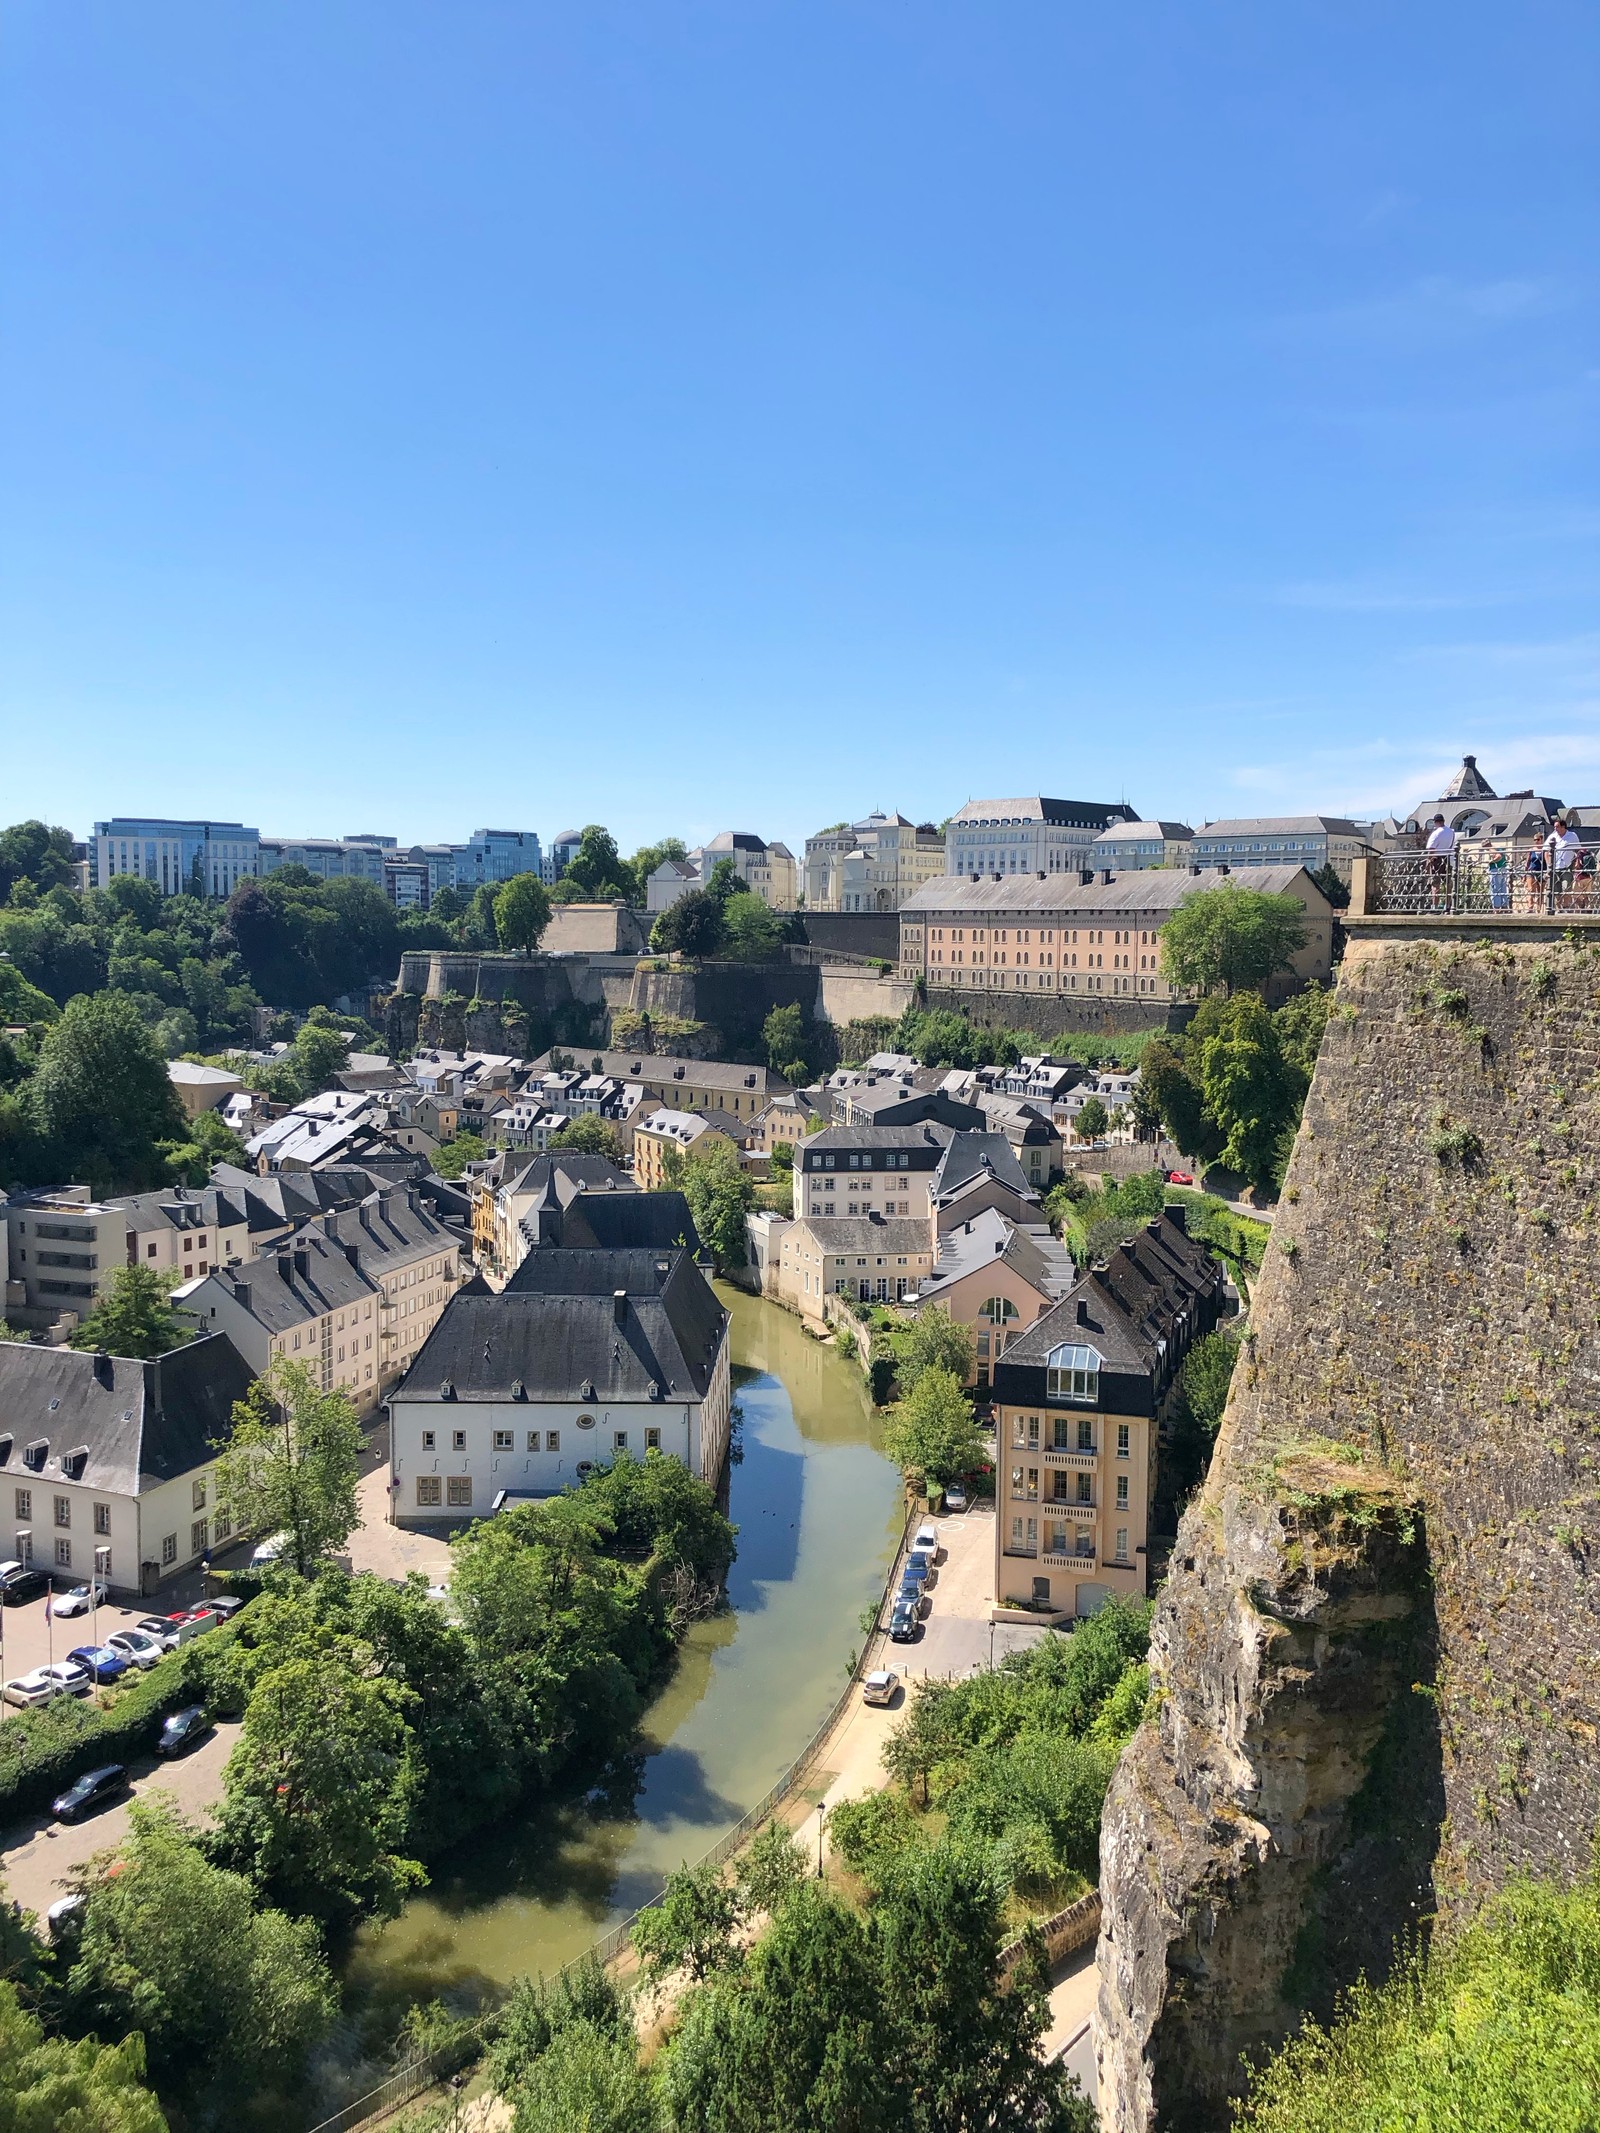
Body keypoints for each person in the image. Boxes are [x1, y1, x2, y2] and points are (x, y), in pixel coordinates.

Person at [1545, 815, 1581, 905]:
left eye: (1557, 827)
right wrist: (1548, 864)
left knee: (1566, 888)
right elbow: (1545, 851)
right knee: (1556, 890)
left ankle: (1566, 906)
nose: (1555, 829)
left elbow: (1579, 850)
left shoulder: (1572, 836)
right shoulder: (1552, 837)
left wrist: (1577, 862)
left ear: (1563, 827)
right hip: (1554, 867)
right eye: (1554, 827)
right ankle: (1559, 907)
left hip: (1567, 866)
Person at [1424, 813, 1455, 907]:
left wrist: (1428, 863)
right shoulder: (1451, 832)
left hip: (1437, 859)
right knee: (1448, 884)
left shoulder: (1436, 833)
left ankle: (1435, 906)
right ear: (1443, 821)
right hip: (1447, 858)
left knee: (1435, 884)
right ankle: (1448, 905)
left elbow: (1431, 850)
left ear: (1435, 822)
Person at [1487, 843, 1510, 911]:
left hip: (1496, 869)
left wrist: (1491, 861)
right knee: (1503, 888)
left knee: (1495, 888)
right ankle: (1504, 906)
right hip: (1502, 868)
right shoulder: (1498, 847)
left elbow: (1499, 856)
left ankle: (1496, 907)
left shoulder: (1492, 849)